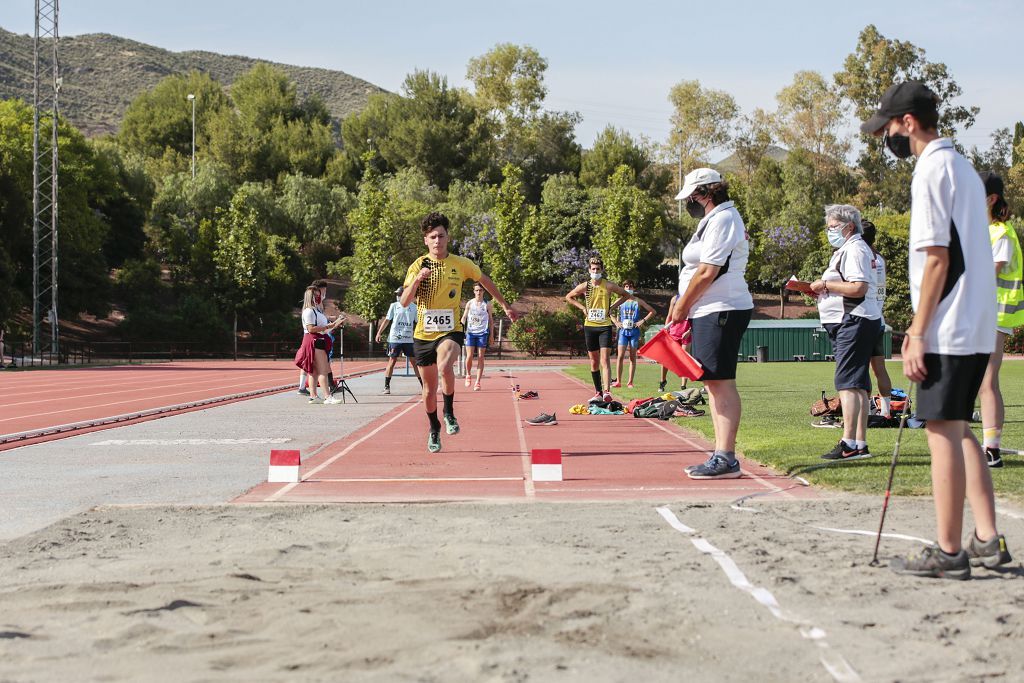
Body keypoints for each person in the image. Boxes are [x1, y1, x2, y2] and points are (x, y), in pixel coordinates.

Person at [862, 80, 1011, 578]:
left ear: (908, 123)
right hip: (974, 321)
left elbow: (937, 261)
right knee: (957, 427)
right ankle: (987, 539)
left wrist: (917, 331)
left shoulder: (932, 169)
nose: (886, 137)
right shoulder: (964, 166)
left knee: (940, 432)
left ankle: (949, 552)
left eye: (887, 127)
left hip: (948, 324)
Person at [401, 211, 518, 453]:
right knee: (429, 389)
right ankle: (434, 429)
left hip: (450, 330)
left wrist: (505, 305)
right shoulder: (417, 265)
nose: (437, 241)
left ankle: (449, 412)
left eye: (441, 236)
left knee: (445, 365)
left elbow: (485, 280)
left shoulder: (460, 263)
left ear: (448, 237)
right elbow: (404, 301)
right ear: (426, 240)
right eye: (432, 237)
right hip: (423, 334)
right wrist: (417, 281)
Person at [668, 167, 754, 480]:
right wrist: (681, 303)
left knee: (720, 382)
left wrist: (683, 305)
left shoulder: (724, 218)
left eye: (692, 195)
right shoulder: (714, 219)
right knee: (713, 383)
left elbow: (708, 271)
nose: (690, 201)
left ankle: (726, 457)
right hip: (709, 309)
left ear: (706, 192)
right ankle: (721, 454)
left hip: (722, 308)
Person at [809, 205, 882, 461]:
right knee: (858, 384)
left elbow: (858, 287)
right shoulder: (850, 249)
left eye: (832, 227)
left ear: (848, 226)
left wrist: (825, 284)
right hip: (855, 320)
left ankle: (849, 442)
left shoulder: (855, 248)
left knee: (848, 384)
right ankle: (858, 443)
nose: (829, 231)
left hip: (853, 320)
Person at [977, 171, 1022, 469]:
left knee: (987, 381)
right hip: (982, 312)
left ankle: (991, 449)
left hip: (995, 313)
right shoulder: (982, 230)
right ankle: (987, 444)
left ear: (991, 199)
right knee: (980, 380)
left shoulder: (1001, 233)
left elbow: (988, 276)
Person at [565, 256, 634, 402]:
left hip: (604, 326)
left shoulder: (608, 285)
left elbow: (626, 294)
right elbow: (569, 297)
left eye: (598, 269)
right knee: (593, 361)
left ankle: (607, 391)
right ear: (589, 270)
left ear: (601, 270)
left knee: (605, 359)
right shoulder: (585, 286)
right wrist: (583, 308)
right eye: (593, 269)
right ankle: (598, 392)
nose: (595, 271)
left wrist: (612, 307)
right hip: (590, 326)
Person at [861, 219, 894, 419]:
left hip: (864, 318)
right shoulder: (880, 259)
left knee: (860, 370)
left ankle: (863, 410)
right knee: (880, 369)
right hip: (878, 319)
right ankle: (886, 411)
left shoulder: (862, 256)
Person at [295, 285, 345, 405]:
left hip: (318, 339)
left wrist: (335, 324)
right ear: (310, 297)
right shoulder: (309, 311)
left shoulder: (316, 310)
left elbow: (324, 329)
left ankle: (314, 396)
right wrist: (328, 326)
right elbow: (311, 328)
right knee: (323, 370)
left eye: (319, 295)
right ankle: (328, 396)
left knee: (314, 371)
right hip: (314, 341)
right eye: (316, 295)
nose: (319, 297)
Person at [610, 279, 655, 388]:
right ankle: (618, 381)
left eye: (630, 287)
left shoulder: (638, 301)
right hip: (623, 332)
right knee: (620, 356)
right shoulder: (619, 301)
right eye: (626, 287)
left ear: (634, 288)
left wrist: (642, 321)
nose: (628, 289)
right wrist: (616, 322)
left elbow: (653, 311)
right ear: (623, 288)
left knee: (632, 357)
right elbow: (609, 311)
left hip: (634, 332)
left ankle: (630, 382)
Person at [375, 286, 419, 395]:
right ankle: (386, 386)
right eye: (397, 295)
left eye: (400, 294)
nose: (398, 297)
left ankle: (423, 385)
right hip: (395, 338)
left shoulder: (414, 307)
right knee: (392, 361)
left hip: (408, 338)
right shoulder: (394, 306)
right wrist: (379, 332)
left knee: (414, 362)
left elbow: (418, 323)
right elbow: (387, 320)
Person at [461, 282, 494, 391]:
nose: (478, 292)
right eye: (476, 290)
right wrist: (462, 322)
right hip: (470, 332)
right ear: (474, 291)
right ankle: (468, 375)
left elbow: (491, 321)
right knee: (469, 355)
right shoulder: (470, 303)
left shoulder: (487, 304)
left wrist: (492, 335)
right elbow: (464, 316)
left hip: (482, 333)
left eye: (480, 290)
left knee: (480, 356)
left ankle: (478, 382)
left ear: (483, 291)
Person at [659, 293, 691, 393]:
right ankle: (662, 381)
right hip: (673, 332)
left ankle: (683, 386)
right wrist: (665, 330)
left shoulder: (694, 297)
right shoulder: (675, 298)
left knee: (684, 359)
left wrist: (689, 331)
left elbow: (696, 319)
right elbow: (669, 316)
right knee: (666, 359)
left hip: (686, 334)